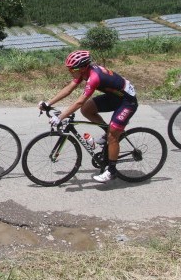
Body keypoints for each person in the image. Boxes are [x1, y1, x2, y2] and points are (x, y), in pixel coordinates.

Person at [40, 50, 138, 184]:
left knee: (113, 135)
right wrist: (48, 103)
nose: (70, 71)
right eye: (68, 68)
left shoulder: (94, 77)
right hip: (115, 96)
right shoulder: (84, 72)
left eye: (72, 69)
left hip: (127, 101)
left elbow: (79, 101)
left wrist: (60, 117)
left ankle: (111, 171)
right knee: (86, 109)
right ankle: (108, 131)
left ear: (82, 67)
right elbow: (69, 89)